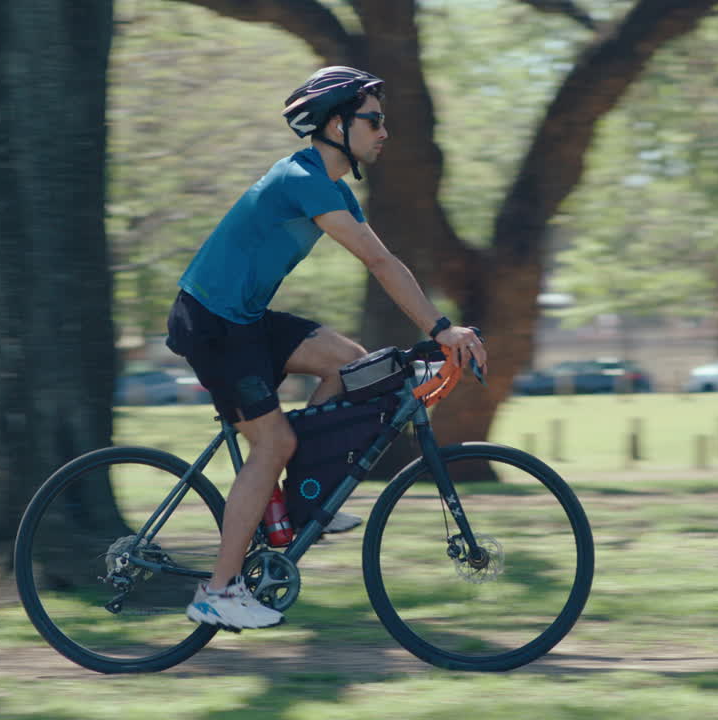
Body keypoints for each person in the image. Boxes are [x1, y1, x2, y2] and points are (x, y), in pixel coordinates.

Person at [167, 66, 486, 630]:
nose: (384, 131)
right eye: (374, 120)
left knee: (350, 362)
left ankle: (299, 500)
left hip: (243, 318)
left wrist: (439, 328)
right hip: (212, 323)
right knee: (273, 442)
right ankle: (218, 590)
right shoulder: (303, 179)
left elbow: (386, 260)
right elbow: (379, 262)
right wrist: (442, 329)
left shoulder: (331, 187)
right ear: (337, 124)